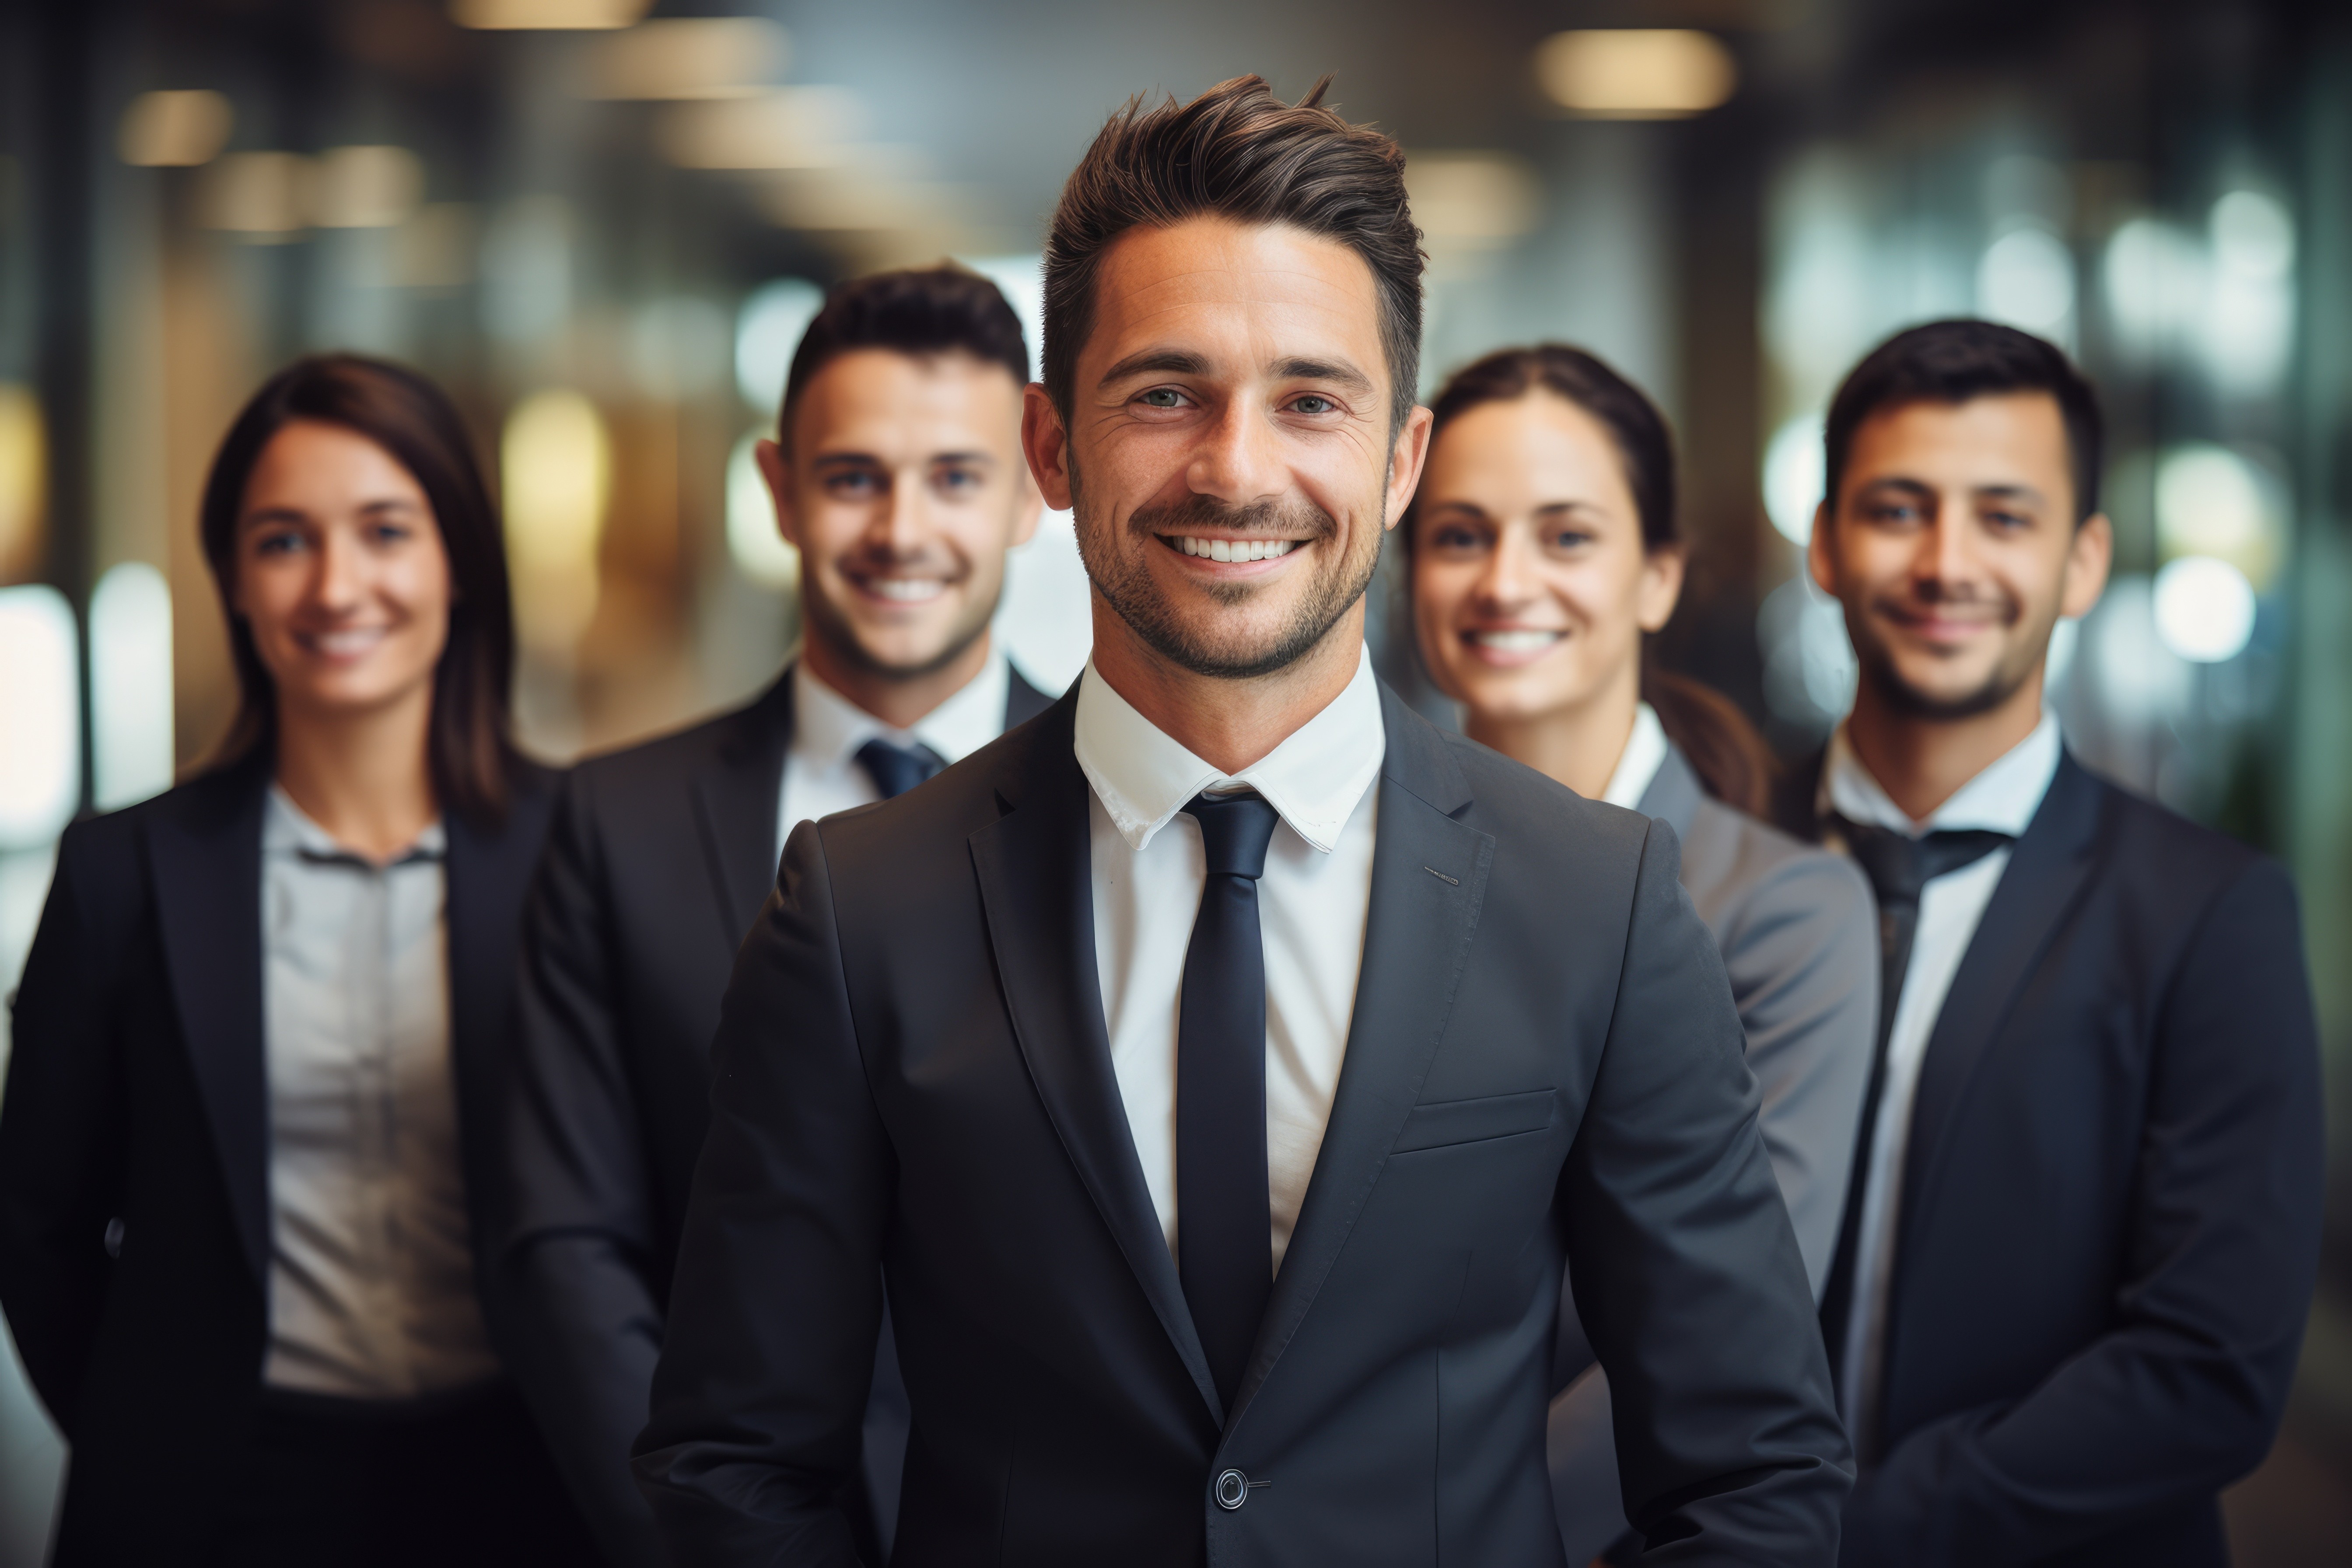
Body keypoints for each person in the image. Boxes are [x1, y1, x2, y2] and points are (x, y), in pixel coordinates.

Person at [633, 75, 1848, 1567]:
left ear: (1400, 462)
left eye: (1311, 401)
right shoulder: (858, 905)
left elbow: (1755, 1474)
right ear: (1052, 447)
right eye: (1163, 392)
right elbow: (738, 1466)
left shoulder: (1599, 897)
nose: (1237, 468)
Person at [497, 264, 1054, 1567]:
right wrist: (707, 1538)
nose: (901, 529)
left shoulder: (1129, 810)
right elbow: (563, 1244)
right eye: (855, 475)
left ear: (1037, 489)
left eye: (957, 477)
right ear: (778, 488)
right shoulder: (612, 824)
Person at [0, 354, 593, 1564]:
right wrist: (152, 1436)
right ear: (231, 577)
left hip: (527, 1484)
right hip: (215, 1497)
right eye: (283, 541)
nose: (337, 587)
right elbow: (40, 1230)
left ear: (457, 562)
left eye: (385, 531)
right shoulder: (125, 872)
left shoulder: (588, 851)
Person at [1772, 319, 2323, 1566]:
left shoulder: (2209, 914)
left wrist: (1833, 1542)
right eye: (1898, 508)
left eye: (2006, 518)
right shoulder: (1690, 863)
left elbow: (2208, 1369)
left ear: (2083, 564)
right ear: (1823, 543)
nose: (1947, 562)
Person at [1404, 343, 1878, 1563]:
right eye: (1459, 535)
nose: (1505, 582)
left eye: (1567, 537)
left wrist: (1405, 1523)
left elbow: (1713, 1340)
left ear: (1658, 576)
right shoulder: (1335, 867)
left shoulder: (1783, 913)